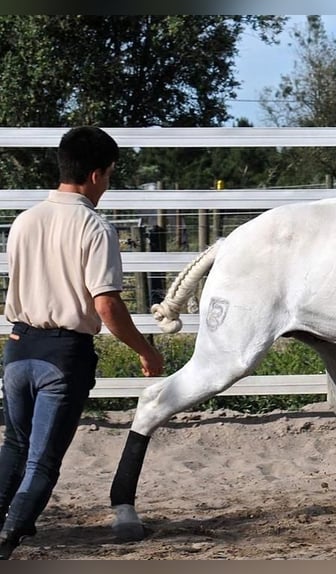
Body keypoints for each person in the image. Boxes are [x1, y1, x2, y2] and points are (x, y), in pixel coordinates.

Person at [0, 126, 164, 559]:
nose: (107, 185)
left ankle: (4, 522)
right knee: (42, 462)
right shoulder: (94, 227)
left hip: (18, 346)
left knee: (14, 446)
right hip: (63, 353)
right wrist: (145, 350)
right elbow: (106, 304)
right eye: (109, 175)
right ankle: (8, 536)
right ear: (95, 175)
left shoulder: (24, 220)